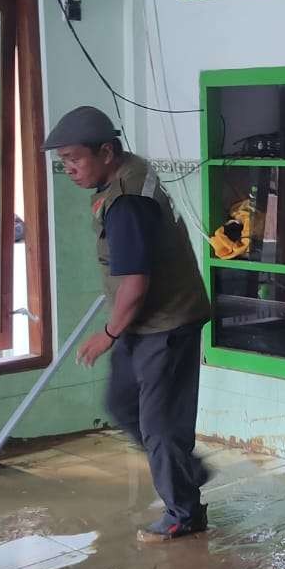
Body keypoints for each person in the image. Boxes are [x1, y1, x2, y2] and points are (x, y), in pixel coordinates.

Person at [45, 106, 214, 542]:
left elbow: (136, 284)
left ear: (106, 152)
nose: (69, 170)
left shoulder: (126, 204)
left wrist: (107, 334)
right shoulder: (126, 171)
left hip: (166, 323)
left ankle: (183, 513)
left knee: (159, 425)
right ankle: (186, 470)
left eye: (74, 159)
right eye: (62, 162)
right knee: (123, 404)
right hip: (142, 322)